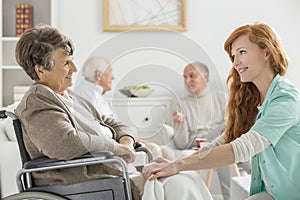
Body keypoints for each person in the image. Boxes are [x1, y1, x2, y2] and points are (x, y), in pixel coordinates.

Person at [14, 24, 212, 200]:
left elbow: (111, 122)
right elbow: (66, 143)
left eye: (72, 61)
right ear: (41, 70)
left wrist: (125, 140)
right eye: (66, 63)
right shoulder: (37, 102)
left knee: (187, 177)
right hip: (86, 183)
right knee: (180, 184)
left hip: (112, 174)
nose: (74, 68)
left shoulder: (69, 96)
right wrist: (115, 148)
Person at [142, 23, 300, 200]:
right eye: (233, 56)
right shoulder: (256, 101)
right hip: (273, 193)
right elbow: (225, 139)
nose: (236, 62)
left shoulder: (285, 99)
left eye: (242, 52)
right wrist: (175, 163)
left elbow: (242, 147)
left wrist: (179, 165)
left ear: (266, 52)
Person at [74, 56, 175, 161]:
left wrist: (130, 138)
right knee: (160, 151)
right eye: (110, 72)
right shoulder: (87, 96)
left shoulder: (93, 94)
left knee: (166, 152)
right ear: (99, 75)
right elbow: (102, 131)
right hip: (112, 147)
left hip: (120, 142)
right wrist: (128, 141)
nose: (113, 77)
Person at [172, 62, 233, 200]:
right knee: (226, 134)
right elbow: (182, 144)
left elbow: (232, 126)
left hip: (220, 140)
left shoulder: (221, 98)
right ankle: (248, 167)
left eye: (192, 76)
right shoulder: (180, 104)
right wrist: (180, 125)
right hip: (197, 141)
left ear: (205, 77)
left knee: (223, 147)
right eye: (185, 77)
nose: (187, 81)